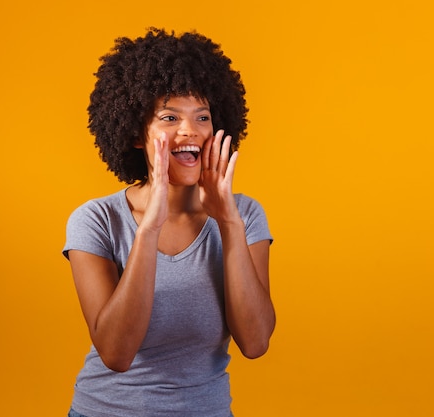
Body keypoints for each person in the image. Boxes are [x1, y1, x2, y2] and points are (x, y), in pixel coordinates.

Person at [62, 28, 276, 417]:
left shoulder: (244, 215)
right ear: (136, 134)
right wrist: (149, 228)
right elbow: (116, 352)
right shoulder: (96, 220)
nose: (189, 130)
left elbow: (256, 341)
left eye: (202, 117)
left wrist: (228, 223)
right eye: (170, 117)